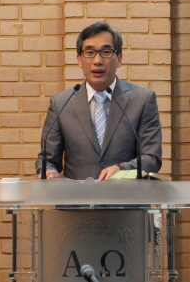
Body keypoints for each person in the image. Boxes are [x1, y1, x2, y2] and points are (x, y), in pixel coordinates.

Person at [35, 21, 162, 180]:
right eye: (89, 52)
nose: (97, 61)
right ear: (79, 60)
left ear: (119, 58)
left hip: (125, 194)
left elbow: (151, 158)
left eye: (106, 52)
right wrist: (48, 171)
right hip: (77, 195)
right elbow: (47, 159)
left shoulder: (142, 100)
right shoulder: (61, 103)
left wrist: (121, 168)